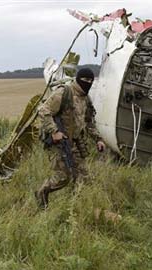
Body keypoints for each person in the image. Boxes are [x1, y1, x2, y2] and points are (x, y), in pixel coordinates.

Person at [35, 68, 106, 209]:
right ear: (78, 79)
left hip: (76, 142)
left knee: (83, 176)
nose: (88, 83)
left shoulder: (85, 98)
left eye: (91, 81)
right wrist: (54, 131)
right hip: (60, 142)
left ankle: (77, 207)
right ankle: (42, 192)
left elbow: (89, 120)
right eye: (85, 80)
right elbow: (43, 110)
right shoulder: (64, 93)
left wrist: (98, 139)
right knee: (63, 176)